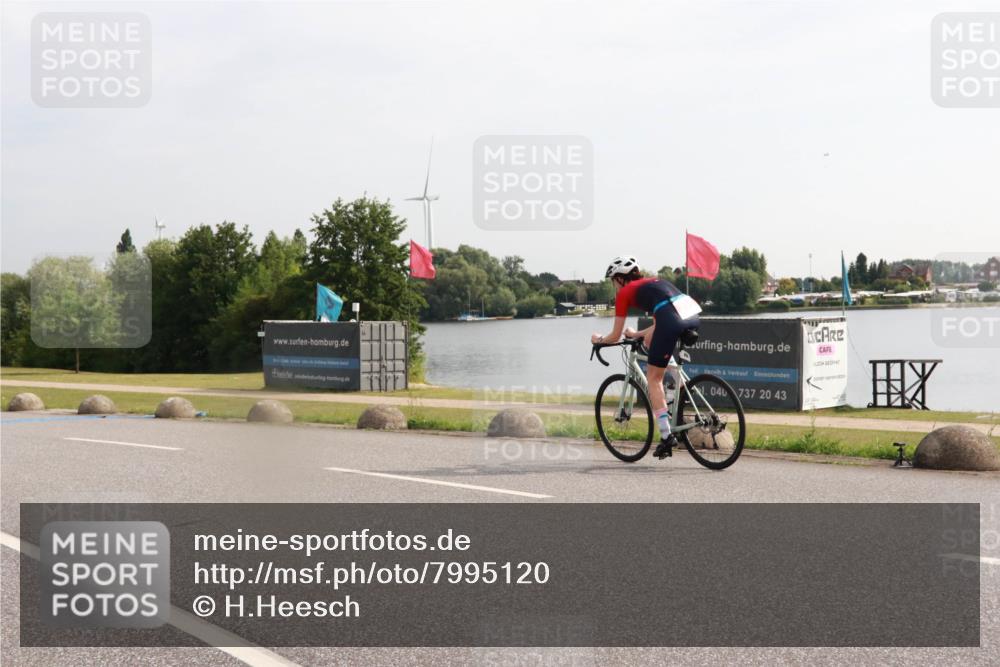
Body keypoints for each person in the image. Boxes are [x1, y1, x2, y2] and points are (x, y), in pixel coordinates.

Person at [591, 256, 701, 459]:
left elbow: (615, 336)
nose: (614, 286)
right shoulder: (654, 282)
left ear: (620, 278)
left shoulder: (625, 293)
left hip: (672, 319)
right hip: (691, 314)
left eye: (613, 281)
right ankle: (681, 386)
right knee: (650, 341)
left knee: (653, 379)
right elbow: (662, 321)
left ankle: (667, 436)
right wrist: (638, 335)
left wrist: (599, 340)